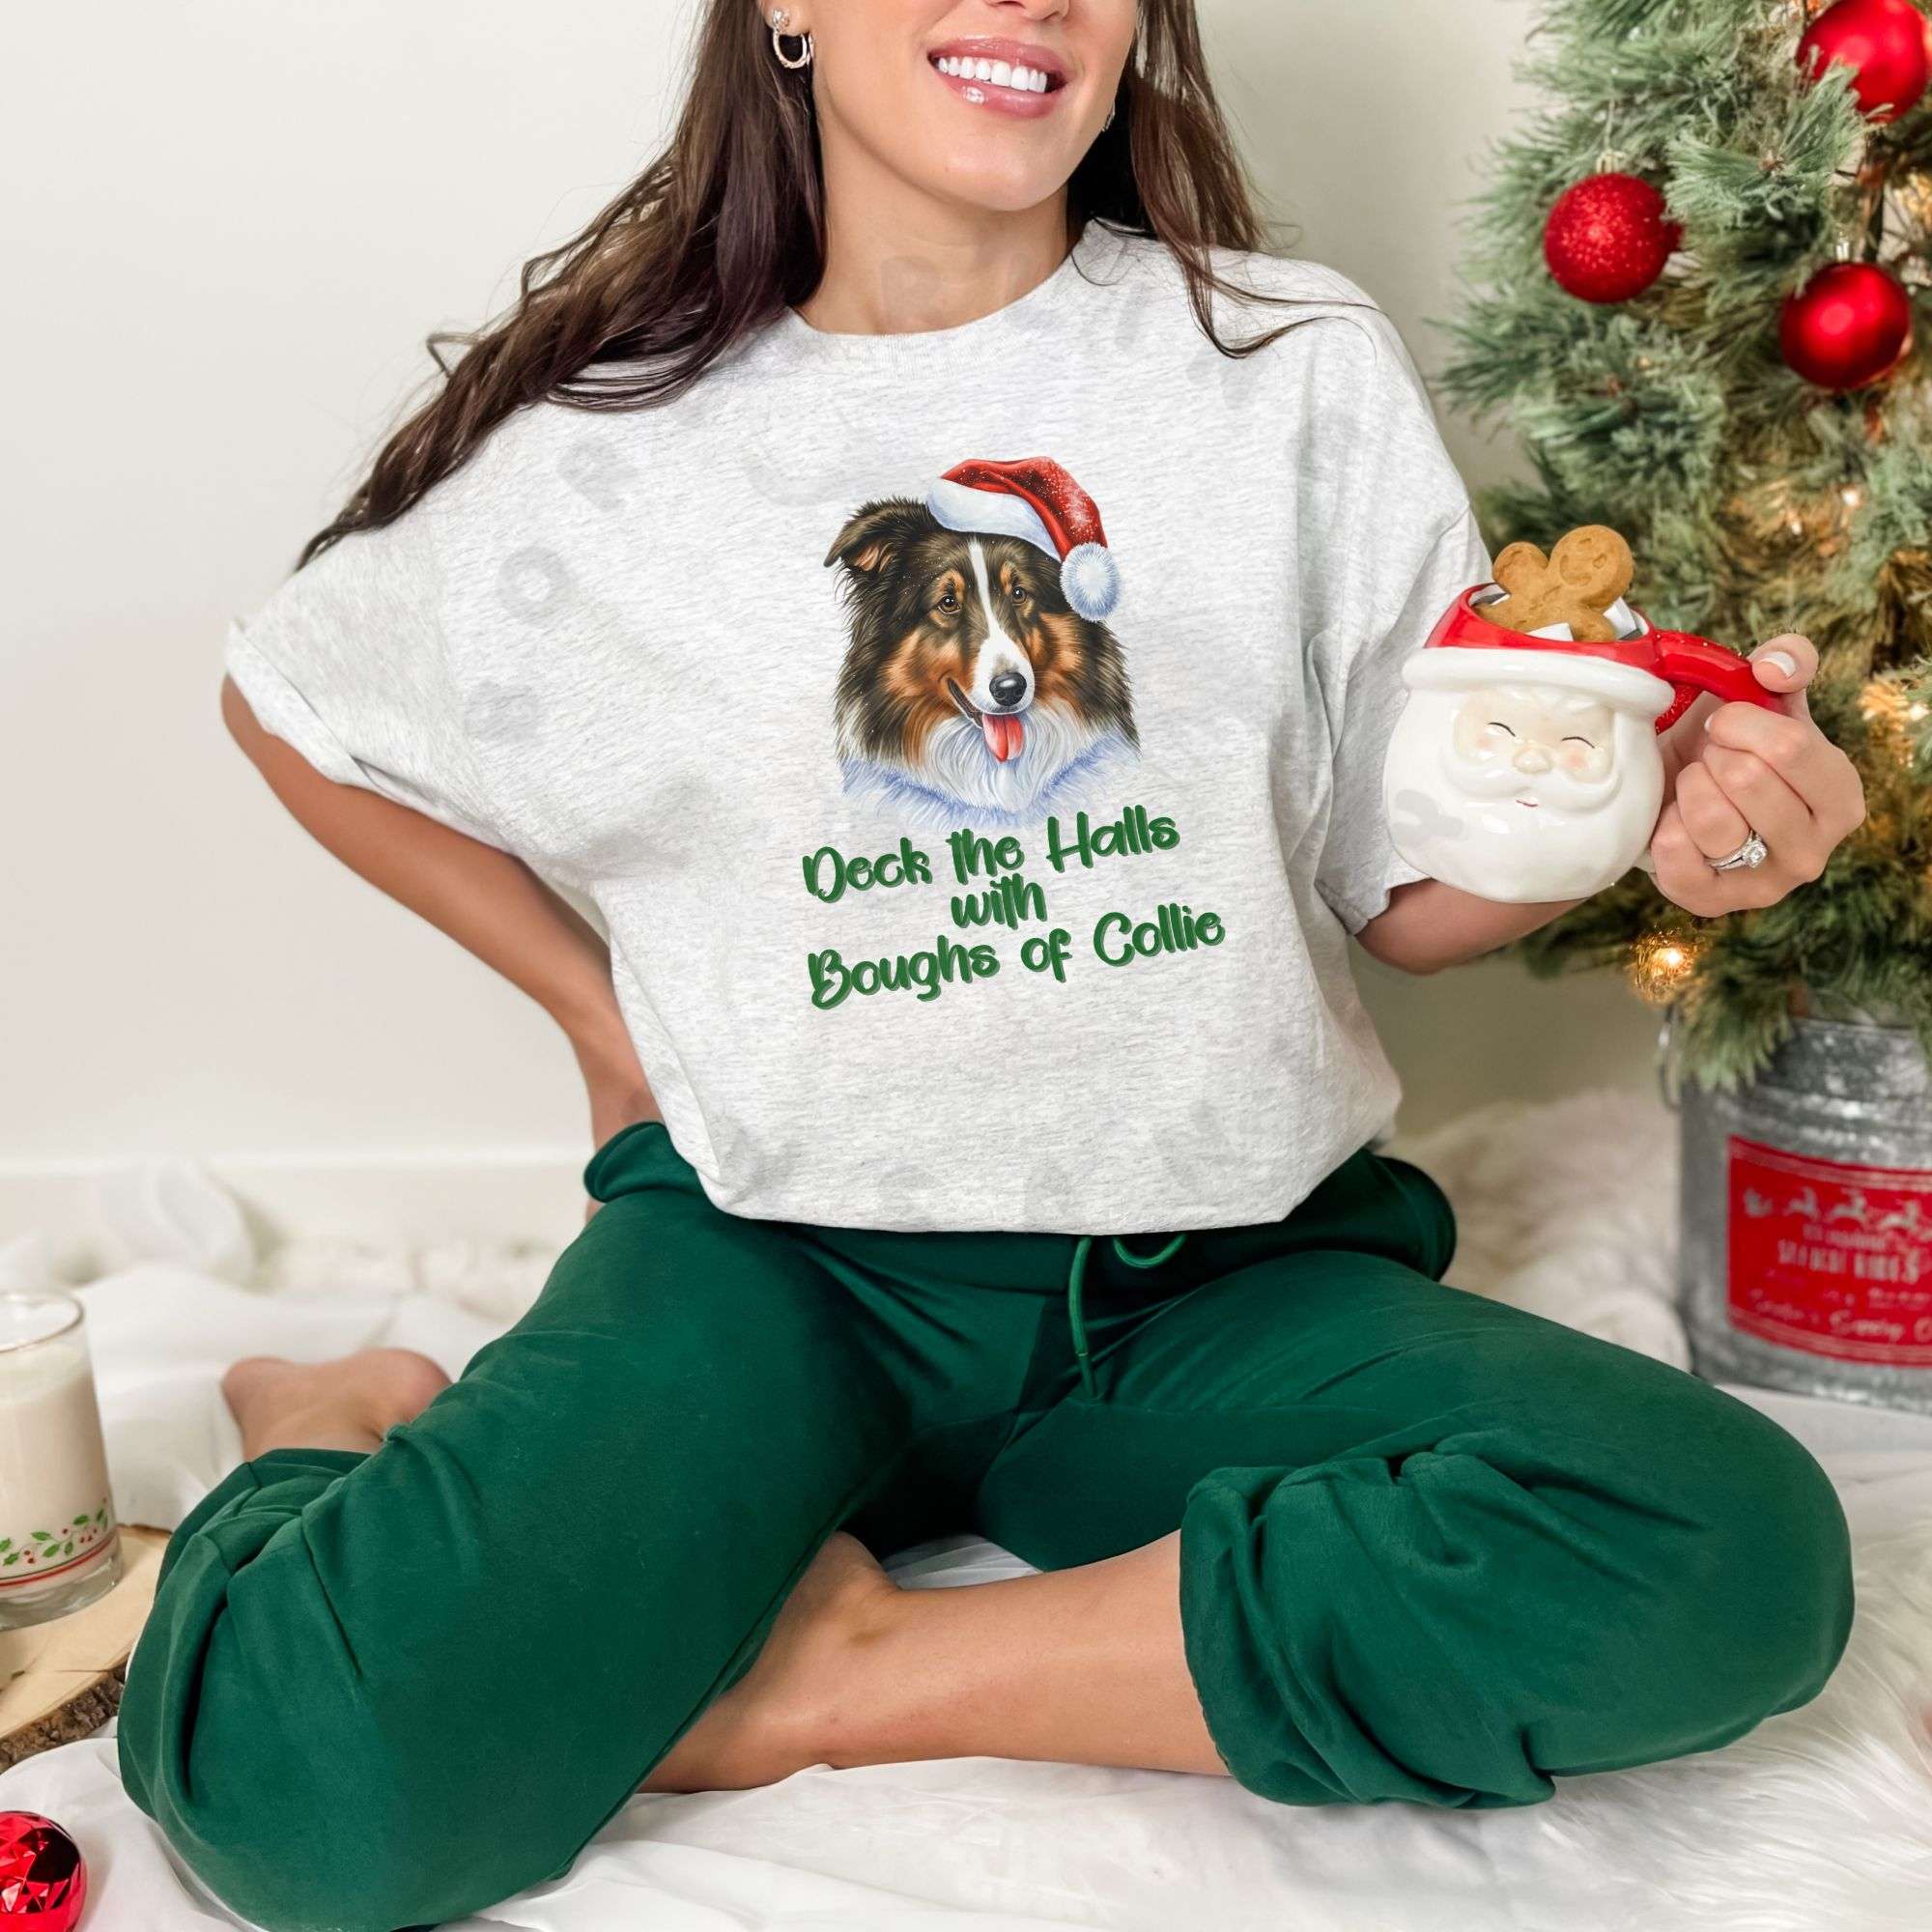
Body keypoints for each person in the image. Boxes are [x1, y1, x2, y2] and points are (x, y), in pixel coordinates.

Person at [116, 4, 1869, 1929]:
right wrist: (599, 1019)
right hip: (781, 1265)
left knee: (1731, 1550)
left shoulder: (1281, 368)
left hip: (1210, 1278)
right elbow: (295, 703)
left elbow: (1399, 888)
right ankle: (334, 1414)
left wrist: (1638, 826)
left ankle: (842, 1668)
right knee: (306, 1794)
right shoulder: (608, 449)